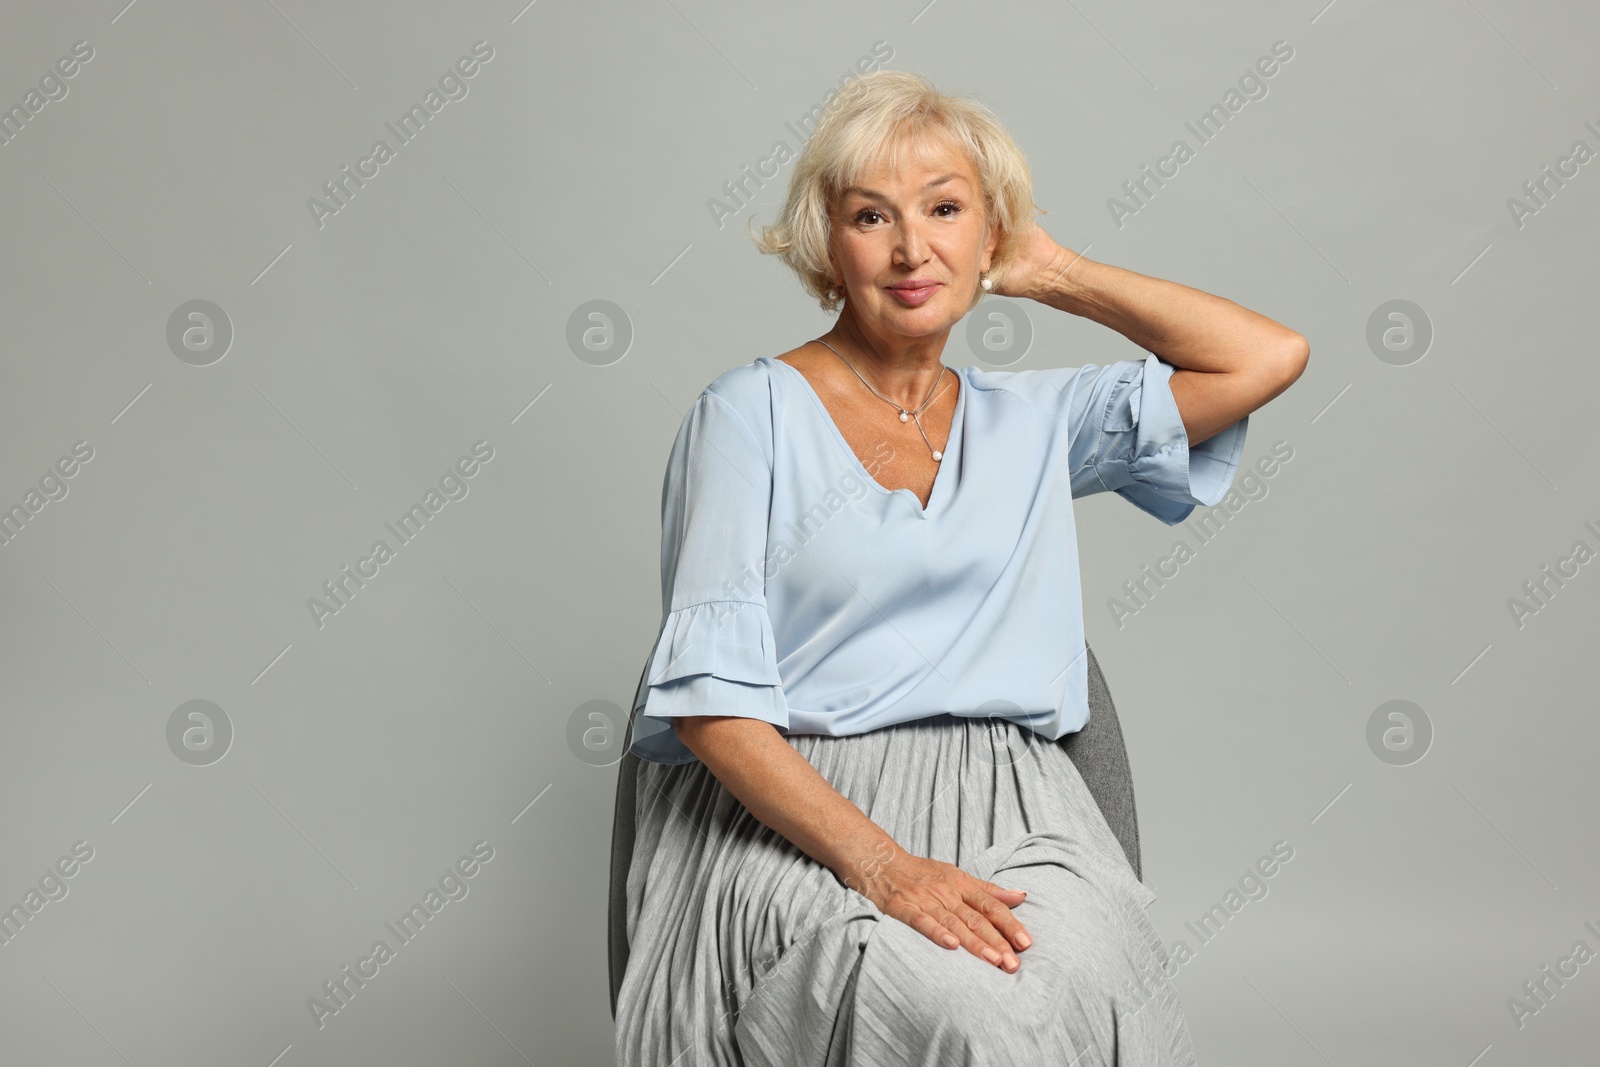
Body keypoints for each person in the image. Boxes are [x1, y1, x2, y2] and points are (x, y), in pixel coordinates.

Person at [614, 68, 1307, 1066]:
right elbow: (708, 705)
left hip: (1020, 810)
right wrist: (886, 868)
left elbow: (1267, 356)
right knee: (952, 1003)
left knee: (1072, 979)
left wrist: (1053, 270)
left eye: (945, 209)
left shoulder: (1033, 422)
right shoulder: (746, 415)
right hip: (804, 818)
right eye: (870, 216)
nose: (910, 248)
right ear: (828, 243)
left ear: (991, 234)